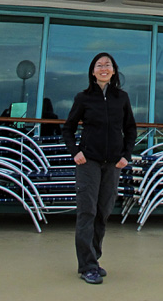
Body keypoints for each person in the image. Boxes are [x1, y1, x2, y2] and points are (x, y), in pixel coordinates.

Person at [63, 52, 136, 285]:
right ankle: (87, 266)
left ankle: (94, 258)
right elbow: (68, 129)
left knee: (103, 212)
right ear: (92, 71)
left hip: (113, 164)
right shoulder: (83, 98)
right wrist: (76, 152)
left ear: (114, 70)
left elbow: (131, 129)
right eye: (99, 65)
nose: (103, 68)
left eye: (108, 65)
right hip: (89, 163)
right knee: (87, 212)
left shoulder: (121, 98)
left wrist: (126, 155)